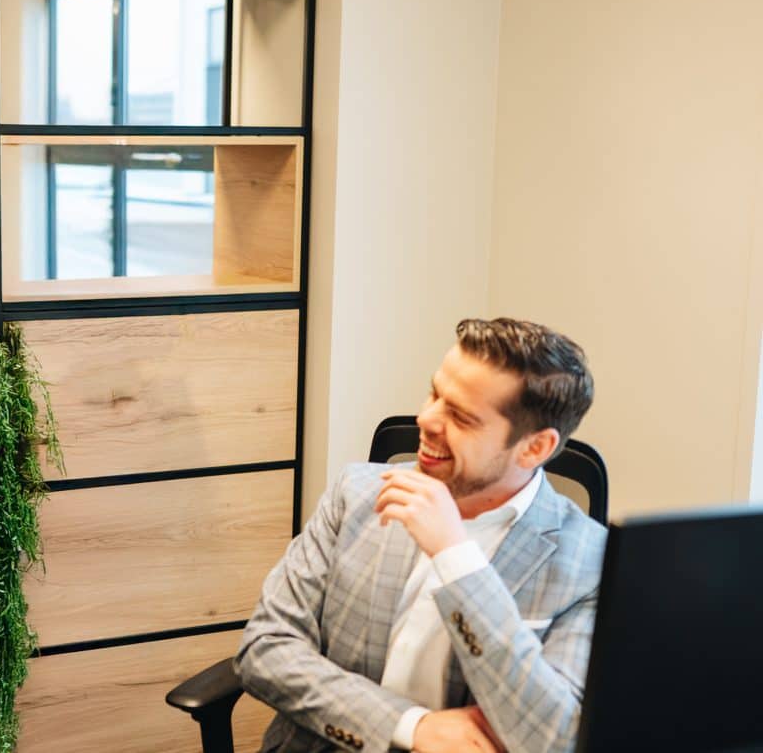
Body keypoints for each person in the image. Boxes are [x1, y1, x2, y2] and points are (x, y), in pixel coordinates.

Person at [237, 318, 602, 753]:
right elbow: (265, 648)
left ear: (534, 448)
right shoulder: (356, 494)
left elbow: (554, 738)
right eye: (434, 394)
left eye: (461, 417)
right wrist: (411, 725)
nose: (425, 419)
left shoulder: (590, 565)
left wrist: (456, 559)